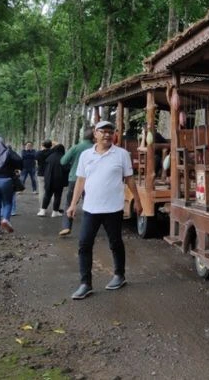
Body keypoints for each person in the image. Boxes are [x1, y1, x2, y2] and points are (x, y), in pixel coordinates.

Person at [66, 120, 142, 300]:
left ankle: (119, 275)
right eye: (103, 131)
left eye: (110, 131)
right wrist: (72, 204)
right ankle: (85, 283)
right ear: (95, 134)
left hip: (113, 208)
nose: (107, 134)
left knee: (115, 242)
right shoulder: (86, 155)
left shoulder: (122, 154)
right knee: (84, 244)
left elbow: (130, 179)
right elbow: (80, 181)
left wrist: (138, 201)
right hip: (91, 208)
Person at [58, 128, 94, 236]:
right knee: (90, 204)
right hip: (92, 180)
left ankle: (66, 227)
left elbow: (63, 161)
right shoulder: (96, 148)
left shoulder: (76, 147)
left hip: (74, 178)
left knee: (70, 203)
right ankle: (89, 228)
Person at [38, 144, 67, 217]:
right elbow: (66, 168)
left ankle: (42, 211)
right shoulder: (63, 157)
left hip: (49, 179)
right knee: (57, 196)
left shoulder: (50, 157)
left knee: (47, 195)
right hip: (59, 180)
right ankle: (55, 212)